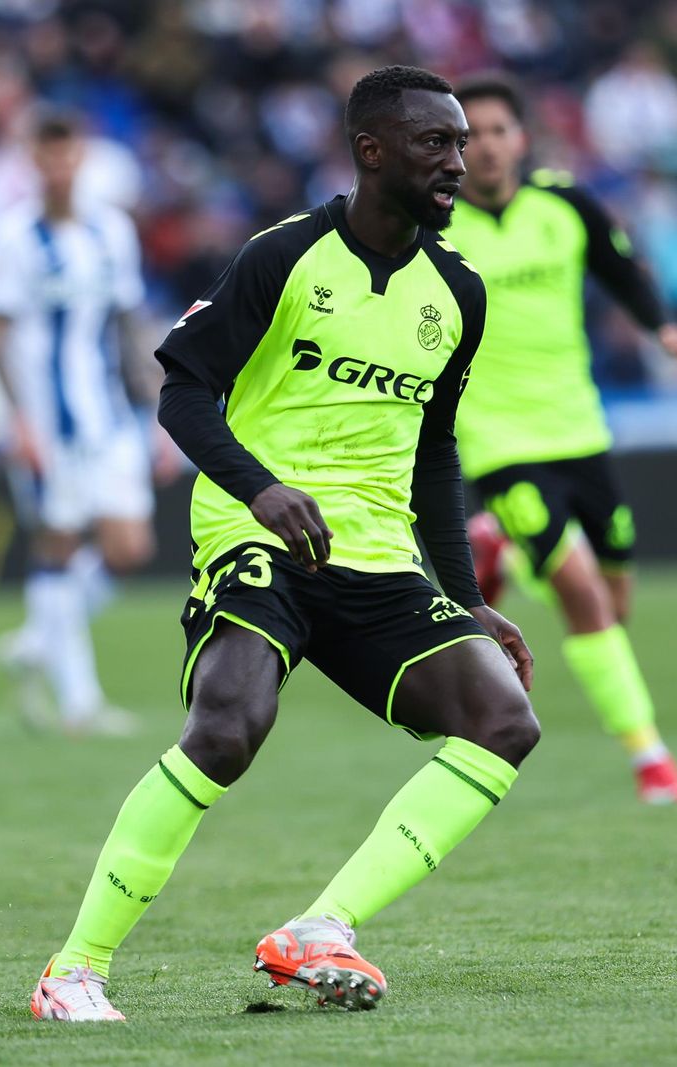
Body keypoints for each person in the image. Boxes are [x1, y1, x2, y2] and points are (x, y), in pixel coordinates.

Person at [30, 66, 539, 1022]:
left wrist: (464, 591)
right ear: (371, 149)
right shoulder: (285, 256)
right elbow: (182, 390)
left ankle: (322, 926)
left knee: (505, 719)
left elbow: (435, 451)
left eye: (465, 145)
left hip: (378, 553)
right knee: (228, 726)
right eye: (438, 144)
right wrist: (260, 489)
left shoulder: (458, 294)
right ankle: (73, 969)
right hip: (256, 534)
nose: (459, 164)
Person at [444, 76, 677, 805]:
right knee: (586, 599)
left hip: (580, 427)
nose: (487, 147)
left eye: (498, 131)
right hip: (498, 440)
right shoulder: (432, 227)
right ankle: (651, 759)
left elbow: (622, 270)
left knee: (615, 604)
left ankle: (498, 548)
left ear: (521, 139)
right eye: (472, 136)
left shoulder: (566, 205)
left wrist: (663, 328)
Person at [0, 111, 157, 737]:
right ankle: (79, 703)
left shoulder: (112, 231)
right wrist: (18, 421)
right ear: (33, 161)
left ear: (82, 158)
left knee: (129, 547)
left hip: (110, 412)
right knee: (58, 541)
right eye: (47, 155)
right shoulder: (13, 238)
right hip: (51, 420)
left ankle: (37, 637)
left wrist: (158, 408)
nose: (59, 166)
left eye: (68, 154)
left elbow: (130, 323)